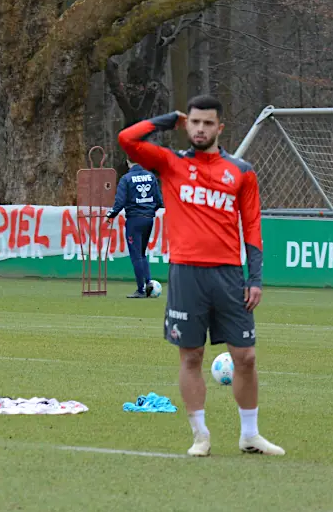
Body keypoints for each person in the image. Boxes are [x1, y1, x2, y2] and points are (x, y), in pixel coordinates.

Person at [118, 94, 284, 458]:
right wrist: (165, 120)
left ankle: (250, 434)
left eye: (208, 123)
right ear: (187, 124)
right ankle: (200, 436)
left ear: (219, 128)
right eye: (194, 122)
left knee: (246, 357)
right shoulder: (170, 164)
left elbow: (252, 227)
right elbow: (127, 140)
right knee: (190, 357)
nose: (200, 128)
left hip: (228, 276)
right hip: (186, 275)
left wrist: (254, 278)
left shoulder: (241, 171)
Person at [106, 161, 163, 298]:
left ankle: (141, 290)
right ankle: (149, 285)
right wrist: (149, 211)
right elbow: (159, 201)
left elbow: (120, 202)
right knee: (142, 254)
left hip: (134, 220)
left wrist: (111, 214)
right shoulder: (151, 177)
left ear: (127, 161)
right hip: (149, 219)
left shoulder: (126, 178)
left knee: (136, 255)